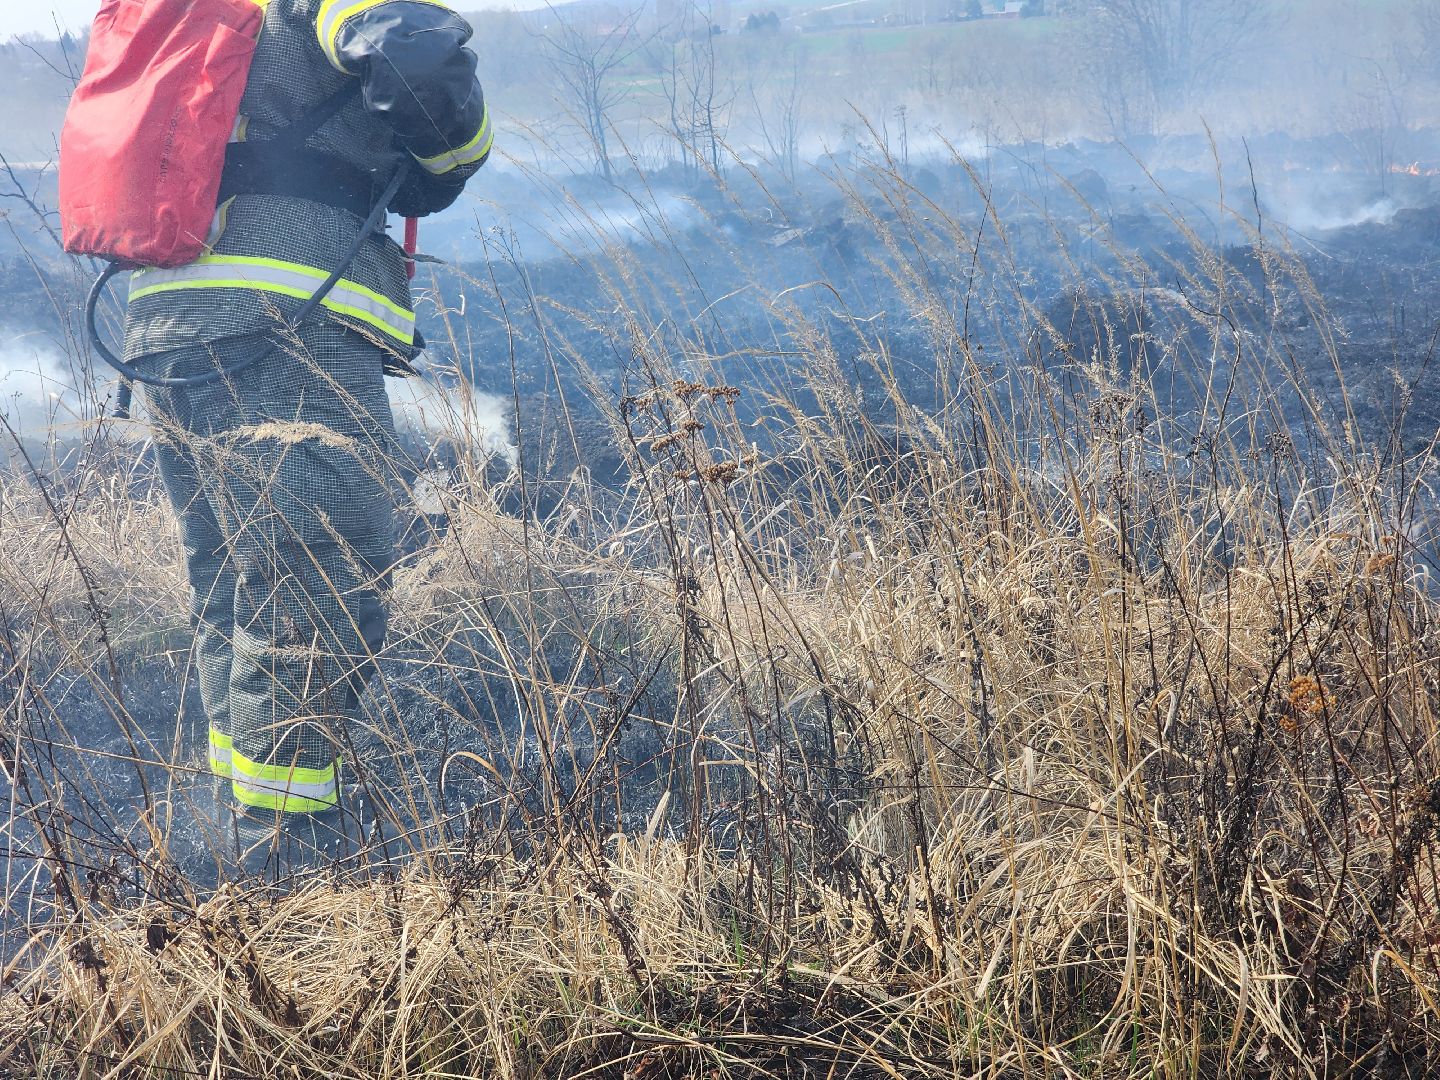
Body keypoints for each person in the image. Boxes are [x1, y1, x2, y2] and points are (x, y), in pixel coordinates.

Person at [122, 0, 491, 848]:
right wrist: (447, 158)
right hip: (282, 323)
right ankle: (289, 859)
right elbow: (418, 54)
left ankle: (239, 831)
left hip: (169, 318)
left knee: (237, 578)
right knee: (317, 579)